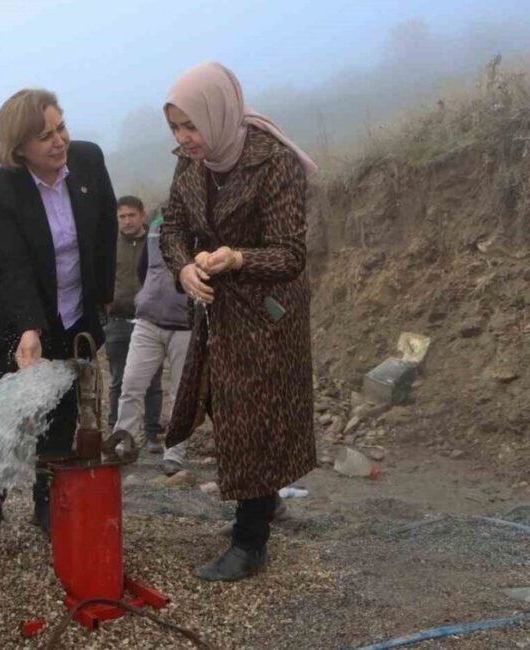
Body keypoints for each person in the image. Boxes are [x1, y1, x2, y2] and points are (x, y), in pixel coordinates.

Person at [160, 61, 317, 582]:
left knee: (251, 417)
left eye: (191, 125)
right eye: (176, 128)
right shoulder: (190, 163)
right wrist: (184, 267)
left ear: (219, 113)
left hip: (268, 319)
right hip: (219, 315)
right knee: (228, 409)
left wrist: (236, 259)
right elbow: (173, 226)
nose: (185, 138)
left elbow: (291, 253)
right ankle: (264, 503)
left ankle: (249, 543)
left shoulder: (272, 162)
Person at [0, 89, 117, 534]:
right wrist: (30, 328)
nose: (59, 141)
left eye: (61, 127)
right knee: (5, 413)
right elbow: (10, 264)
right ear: (18, 150)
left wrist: (103, 295)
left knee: (64, 412)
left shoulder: (88, 161)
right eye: (44, 136)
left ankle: (46, 500)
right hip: (14, 319)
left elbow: (106, 227)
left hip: (73, 315)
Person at [112, 201, 192, 476]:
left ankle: (175, 451)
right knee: (131, 384)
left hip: (186, 324)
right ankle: (123, 443)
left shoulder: (204, 231)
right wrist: (147, 296)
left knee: (181, 392)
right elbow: (144, 268)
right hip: (148, 320)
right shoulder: (156, 230)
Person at [104, 196, 164, 454]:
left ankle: (152, 434)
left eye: (131, 215)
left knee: (152, 380)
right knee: (119, 380)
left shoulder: (156, 241)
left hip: (150, 319)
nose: (127, 221)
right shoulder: (109, 244)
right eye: (122, 216)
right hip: (117, 320)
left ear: (142, 215)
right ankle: (117, 432)